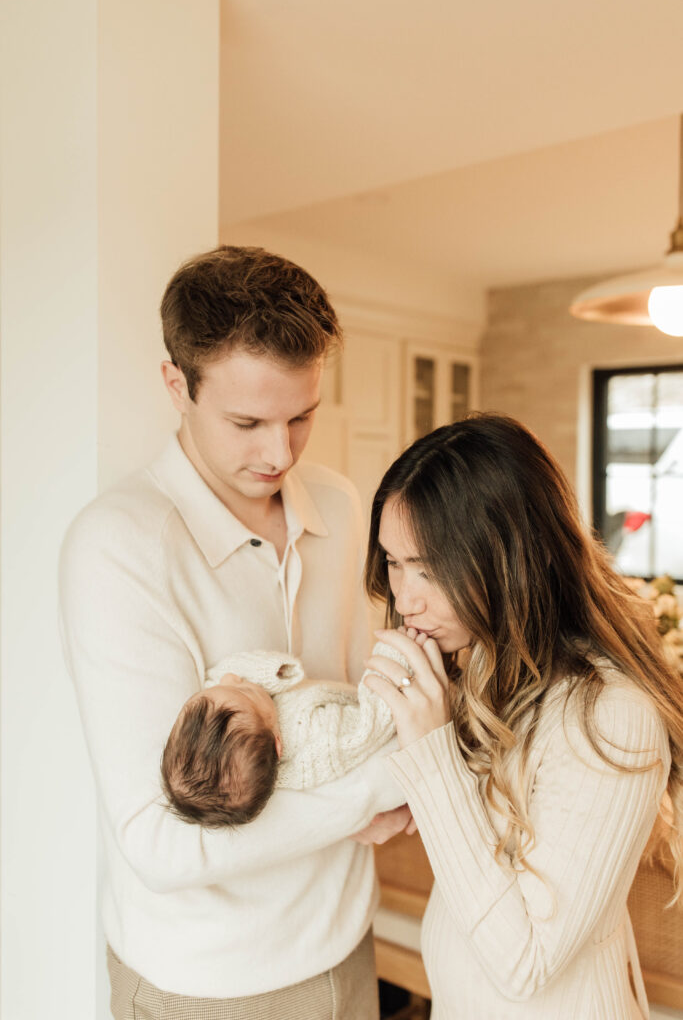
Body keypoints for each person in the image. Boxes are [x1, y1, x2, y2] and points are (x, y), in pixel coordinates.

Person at [58, 246, 407, 1020]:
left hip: (347, 943)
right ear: (176, 385)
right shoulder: (119, 546)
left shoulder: (341, 506)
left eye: (301, 417)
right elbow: (160, 842)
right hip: (205, 984)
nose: (278, 453)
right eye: (247, 422)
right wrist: (384, 789)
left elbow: (367, 708)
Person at [362, 413, 683, 1020]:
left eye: (428, 567)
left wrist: (434, 763)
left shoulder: (613, 715)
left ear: (509, 558)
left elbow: (524, 963)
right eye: (394, 562)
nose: (404, 598)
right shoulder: (488, 673)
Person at [161, 642, 409, 827]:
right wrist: (396, 654)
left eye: (217, 688)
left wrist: (261, 678)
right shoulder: (317, 735)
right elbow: (372, 723)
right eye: (245, 690)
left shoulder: (241, 733)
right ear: (278, 745)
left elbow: (222, 679)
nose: (231, 677)